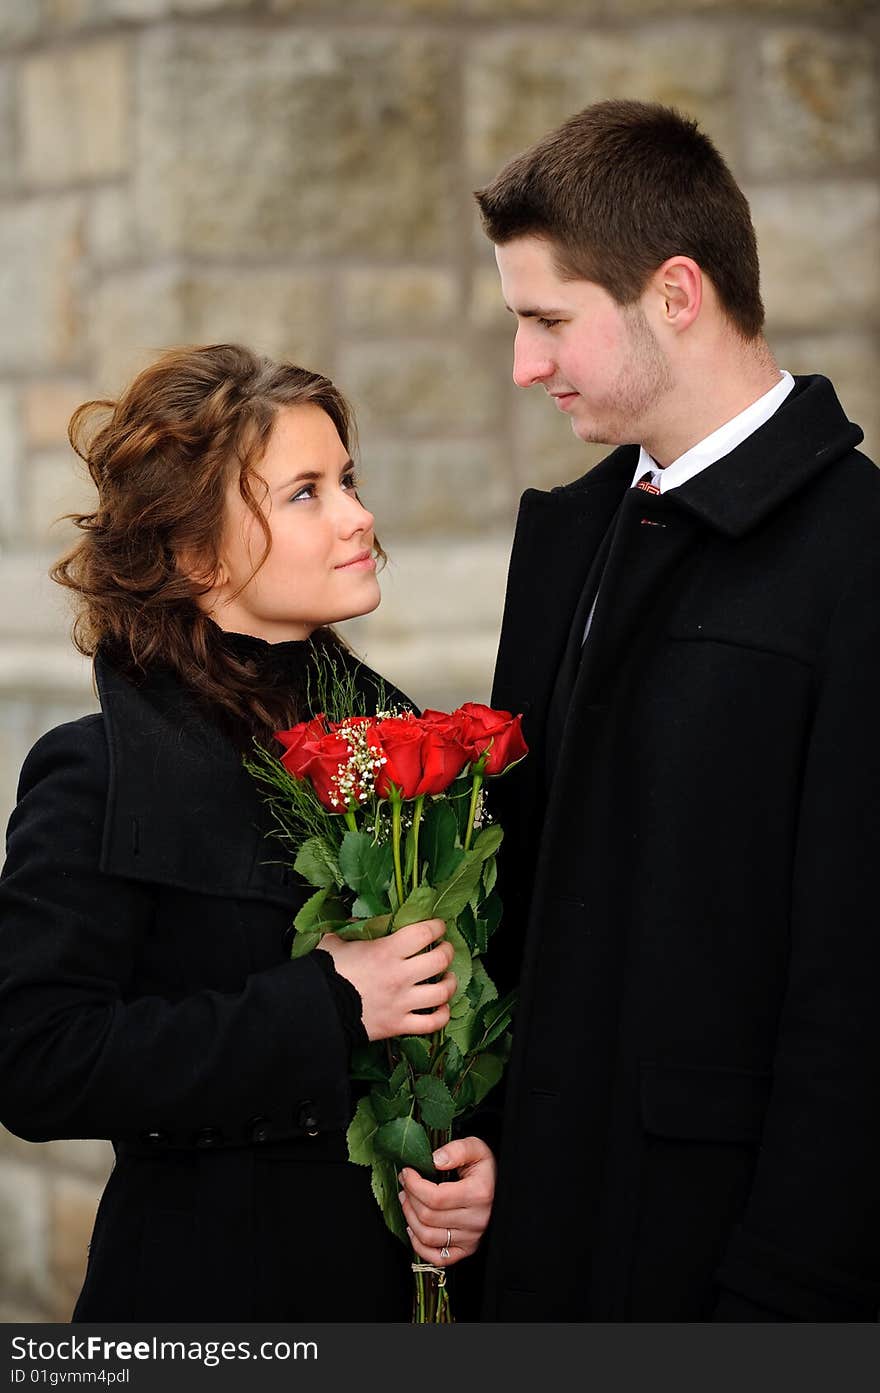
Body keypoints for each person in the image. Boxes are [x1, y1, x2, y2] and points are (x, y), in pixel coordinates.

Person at [402, 98, 880, 1321]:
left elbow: (853, 989)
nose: (524, 364)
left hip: (726, 1273)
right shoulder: (573, 538)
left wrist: (786, 1296)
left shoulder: (854, 558)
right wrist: (497, 1142)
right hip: (544, 1241)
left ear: (676, 292)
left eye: (547, 320)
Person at [0, 343, 493, 1321]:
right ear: (196, 552)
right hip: (206, 1300)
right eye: (304, 493)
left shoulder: (406, 752)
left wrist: (469, 1161)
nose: (359, 516)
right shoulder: (98, 770)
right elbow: (36, 1061)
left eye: (345, 479)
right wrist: (327, 1002)